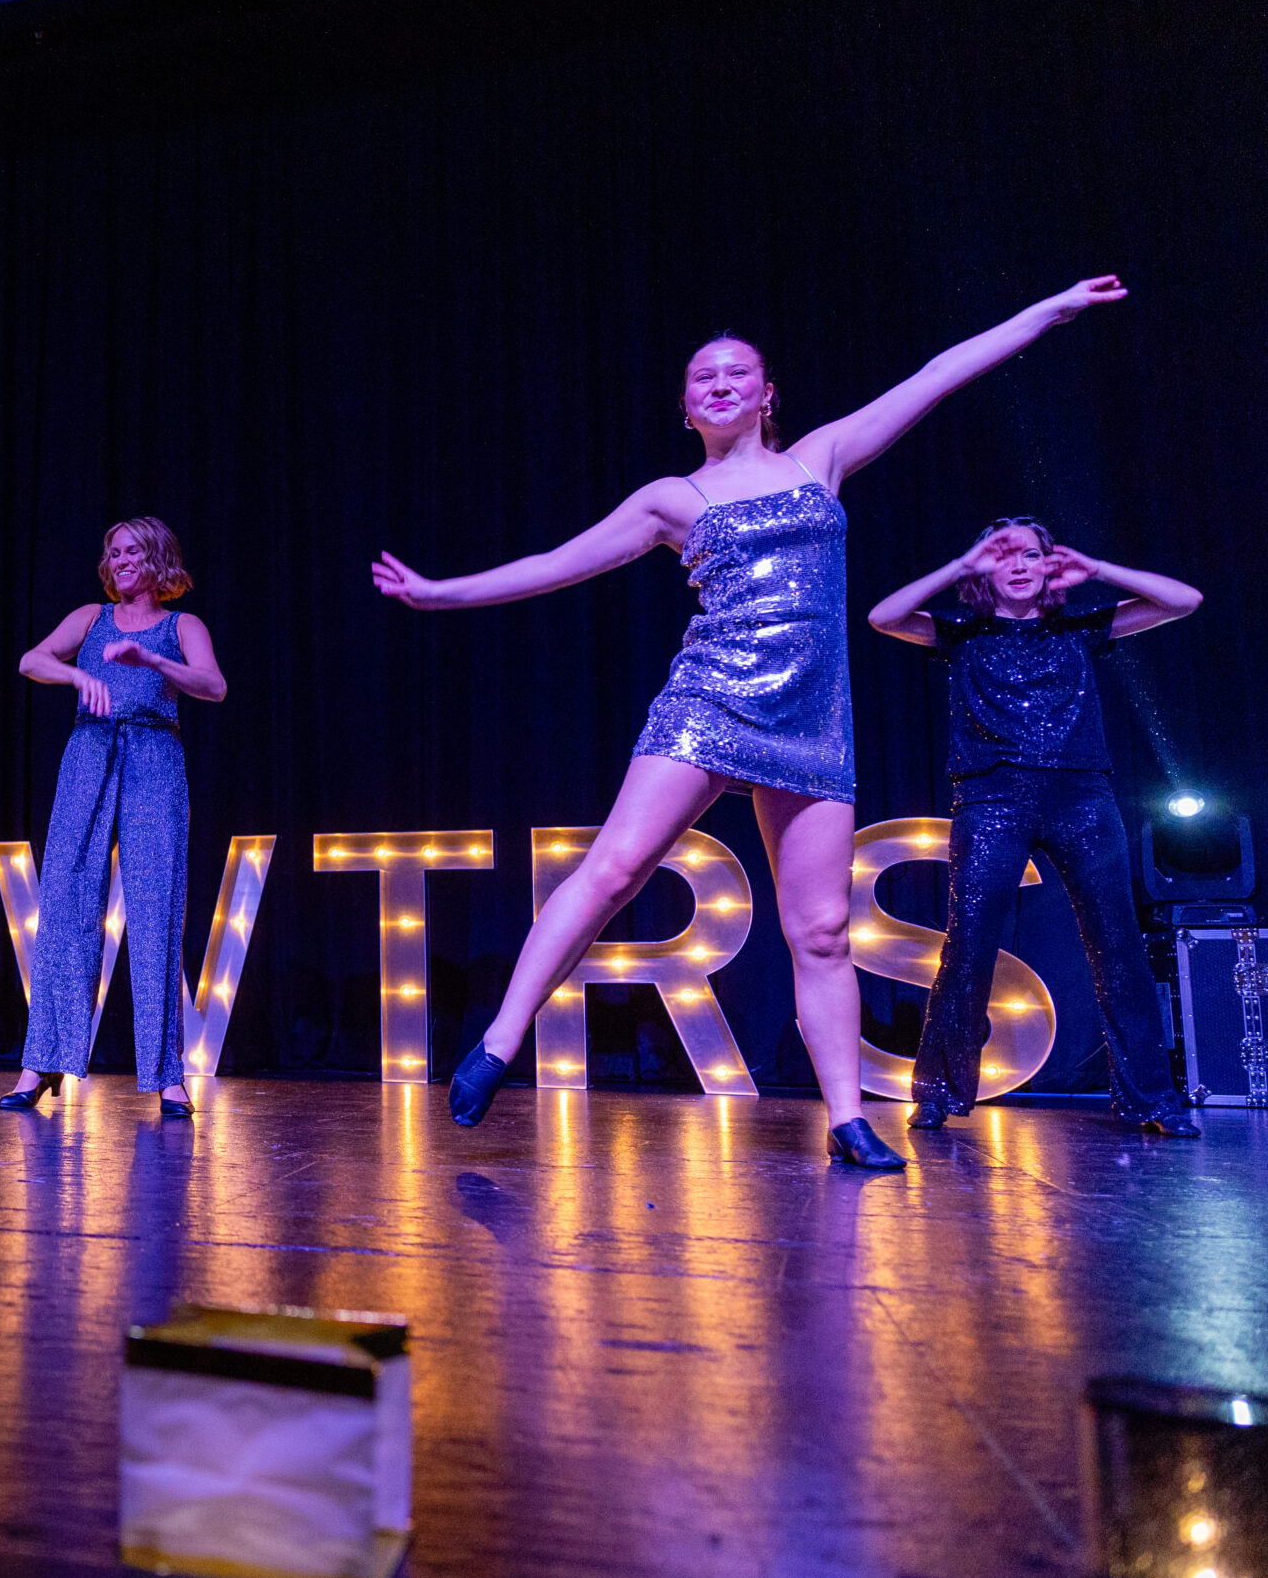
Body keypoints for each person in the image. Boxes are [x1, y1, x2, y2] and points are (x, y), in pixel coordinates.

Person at [371, 276, 1131, 1168]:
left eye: (737, 372)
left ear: (768, 393)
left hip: (810, 718)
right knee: (614, 869)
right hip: (710, 697)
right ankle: (501, 1040)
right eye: (704, 376)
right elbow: (557, 563)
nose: (721, 382)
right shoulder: (672, 498)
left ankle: (847, 1118)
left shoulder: (820, 459)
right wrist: (441, 593)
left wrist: (1049, 310)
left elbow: (937, 376)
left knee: (822, 930)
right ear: (686, 407)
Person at [867, 520, 1202, 1136]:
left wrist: (1097, 569)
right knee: (968, 944)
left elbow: (1185, 600)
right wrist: (959, 565)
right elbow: (882, 617)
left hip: (1081, 794)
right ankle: (938, 1091)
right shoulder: (964, 631)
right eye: (1003, 555)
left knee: (1118, 945)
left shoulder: (1078, 625)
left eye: (1031, 554)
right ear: (984, 568)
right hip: (991, 797)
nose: (1018, 565)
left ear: (1050, 565)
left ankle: (1153, 1100)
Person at [2, 518, 227, 1119]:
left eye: (133, 551)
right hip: (89, 751)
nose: (121, 560)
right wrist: (76, 673)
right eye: (115, 552)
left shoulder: (182, 626)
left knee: (157, 910)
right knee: (66, 904)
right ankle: (41, 1062)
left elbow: (213, 685)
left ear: (157, 560)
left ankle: (166, 1075)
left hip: (155, 755)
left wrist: (152, 661)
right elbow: (30, 660)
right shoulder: (89, 617)